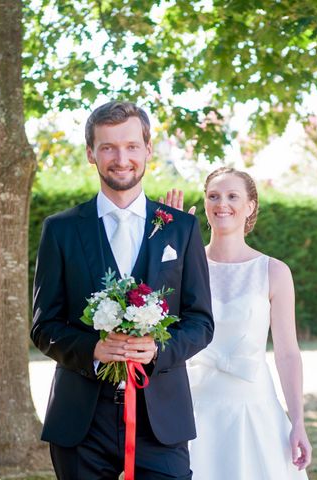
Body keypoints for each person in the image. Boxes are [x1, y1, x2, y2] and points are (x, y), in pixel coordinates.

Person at [30, 100, 214, 480]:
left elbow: (201, 321)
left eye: (131, 146)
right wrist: (92, 350)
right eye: (108, 147)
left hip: (160, 420)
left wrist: (158, 349)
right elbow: (43, 325)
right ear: (90, 154)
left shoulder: (180, 229)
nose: (121, 158)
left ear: (148, 150)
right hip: (81, 421)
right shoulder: (61, 229)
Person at [162, 168, 311, 479]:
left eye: (232, 196)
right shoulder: (185, 266)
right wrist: (170, 242)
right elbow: (158, 325)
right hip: (195, 405)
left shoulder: (274, 271)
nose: (222, 204)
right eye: (213, 196)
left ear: (250, 206)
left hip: (254, 408)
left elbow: (287, 353)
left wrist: (297, 421)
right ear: (204, 204)